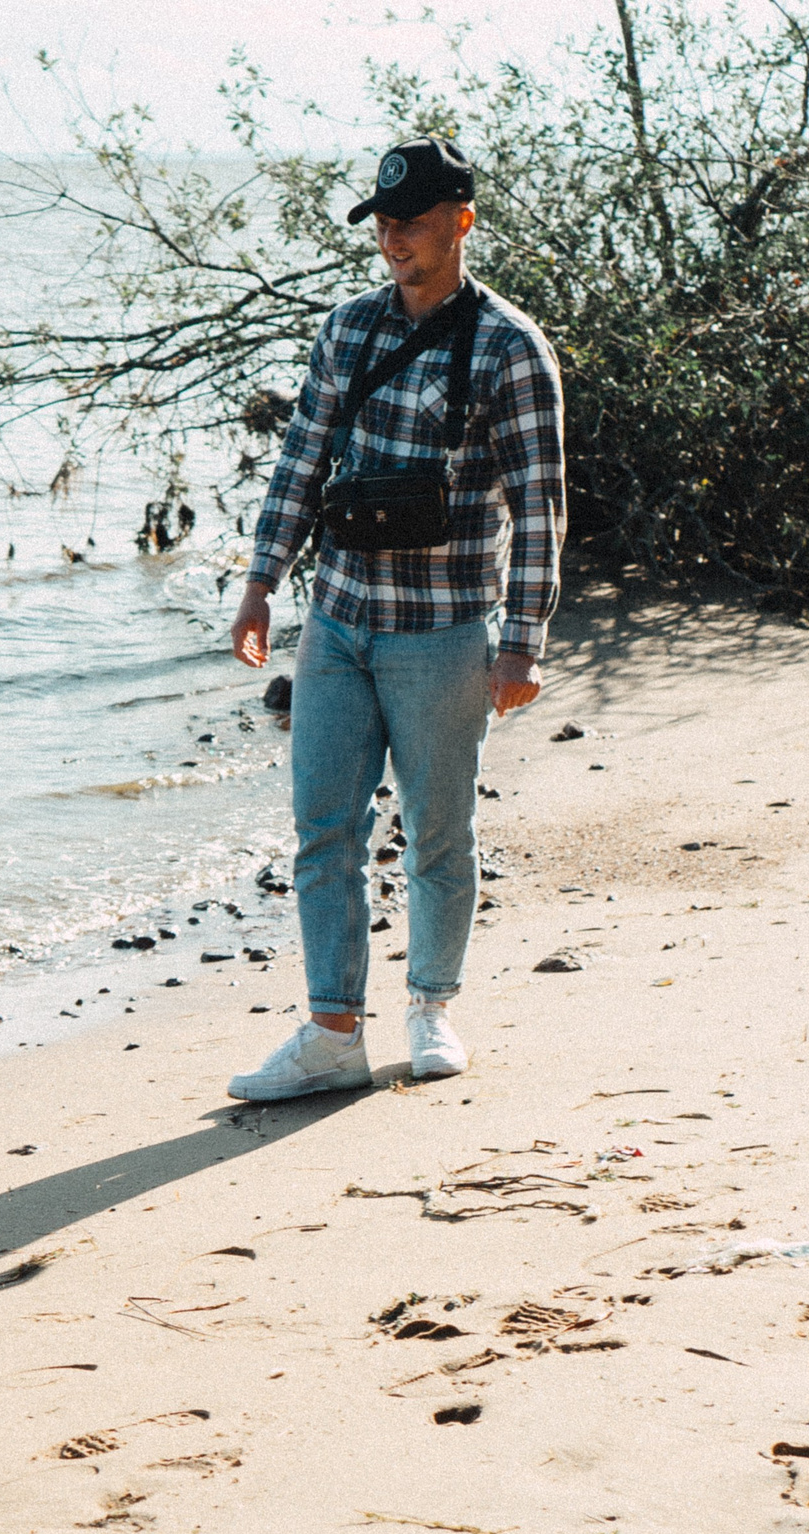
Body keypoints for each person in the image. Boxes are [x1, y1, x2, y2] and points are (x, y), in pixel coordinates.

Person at [226, 136, 565, 1100]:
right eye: (380, 223)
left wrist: (523, 646)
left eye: (410, 222)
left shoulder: (511, 349)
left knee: (437, 831)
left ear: (461, 221)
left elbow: (541, 507)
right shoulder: (346, 331)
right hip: (335, 620)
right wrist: (260, 583)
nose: (391, 240)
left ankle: (431, 1007)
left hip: (446, 628)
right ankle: (332, 1031)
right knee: (323, 828)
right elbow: (301, 461)